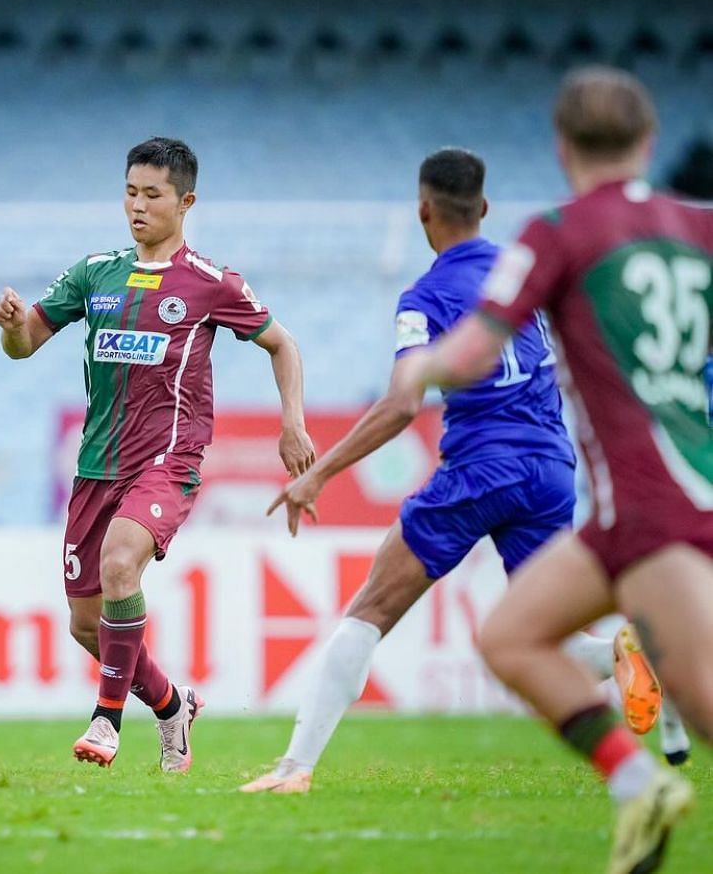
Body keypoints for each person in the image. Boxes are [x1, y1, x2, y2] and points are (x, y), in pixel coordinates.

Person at [240, 147, 679, 796]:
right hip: (550, 470)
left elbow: (399, 404)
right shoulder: (529, 273)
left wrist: (317, 473)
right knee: (539, 633)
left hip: (480, 467)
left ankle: (293, 769)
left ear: (423, 210)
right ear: (485, 208)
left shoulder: (424, 297)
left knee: (368, 610)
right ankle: (619, 655)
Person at [398, 67, 711, 874]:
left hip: (653, 503)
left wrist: (416, 368)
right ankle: (638, 783)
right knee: (509, 636)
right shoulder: (696, 225)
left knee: (705, 702)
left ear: (561, 146)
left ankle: (643, 780)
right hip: (622, 509)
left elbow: (472, 352)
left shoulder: (555, 231)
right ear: (645, 141)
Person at [0, 137, 314, 770]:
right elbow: (25, 342)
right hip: (94, 466)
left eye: (152, 195)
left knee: (120, 565)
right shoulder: (94, 273)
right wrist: (9, 326)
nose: (137, 206)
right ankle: (172, 707)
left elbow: (284, 345)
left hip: (168, 460)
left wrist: (292, 424)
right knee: (87, 623)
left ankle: (106, 723)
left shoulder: (211, 284)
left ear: (185, 201)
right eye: (130, 192)